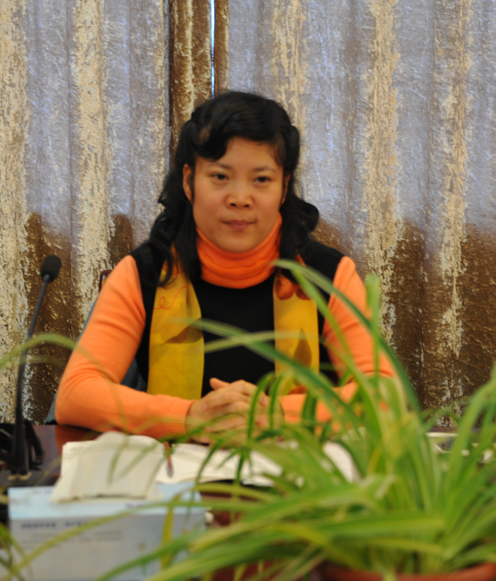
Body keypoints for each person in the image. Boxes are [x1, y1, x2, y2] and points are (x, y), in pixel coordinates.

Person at [55, 91, 393, 440]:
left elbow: (384, 397)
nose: (240, 198)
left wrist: (276, 415)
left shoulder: (328, 275)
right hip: (176, 471)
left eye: (261, 179)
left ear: (284, 187)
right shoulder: (145, 273)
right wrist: (189, 418)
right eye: (220, 176)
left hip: (298, 470)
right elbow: (76, 394)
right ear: (189, 182)